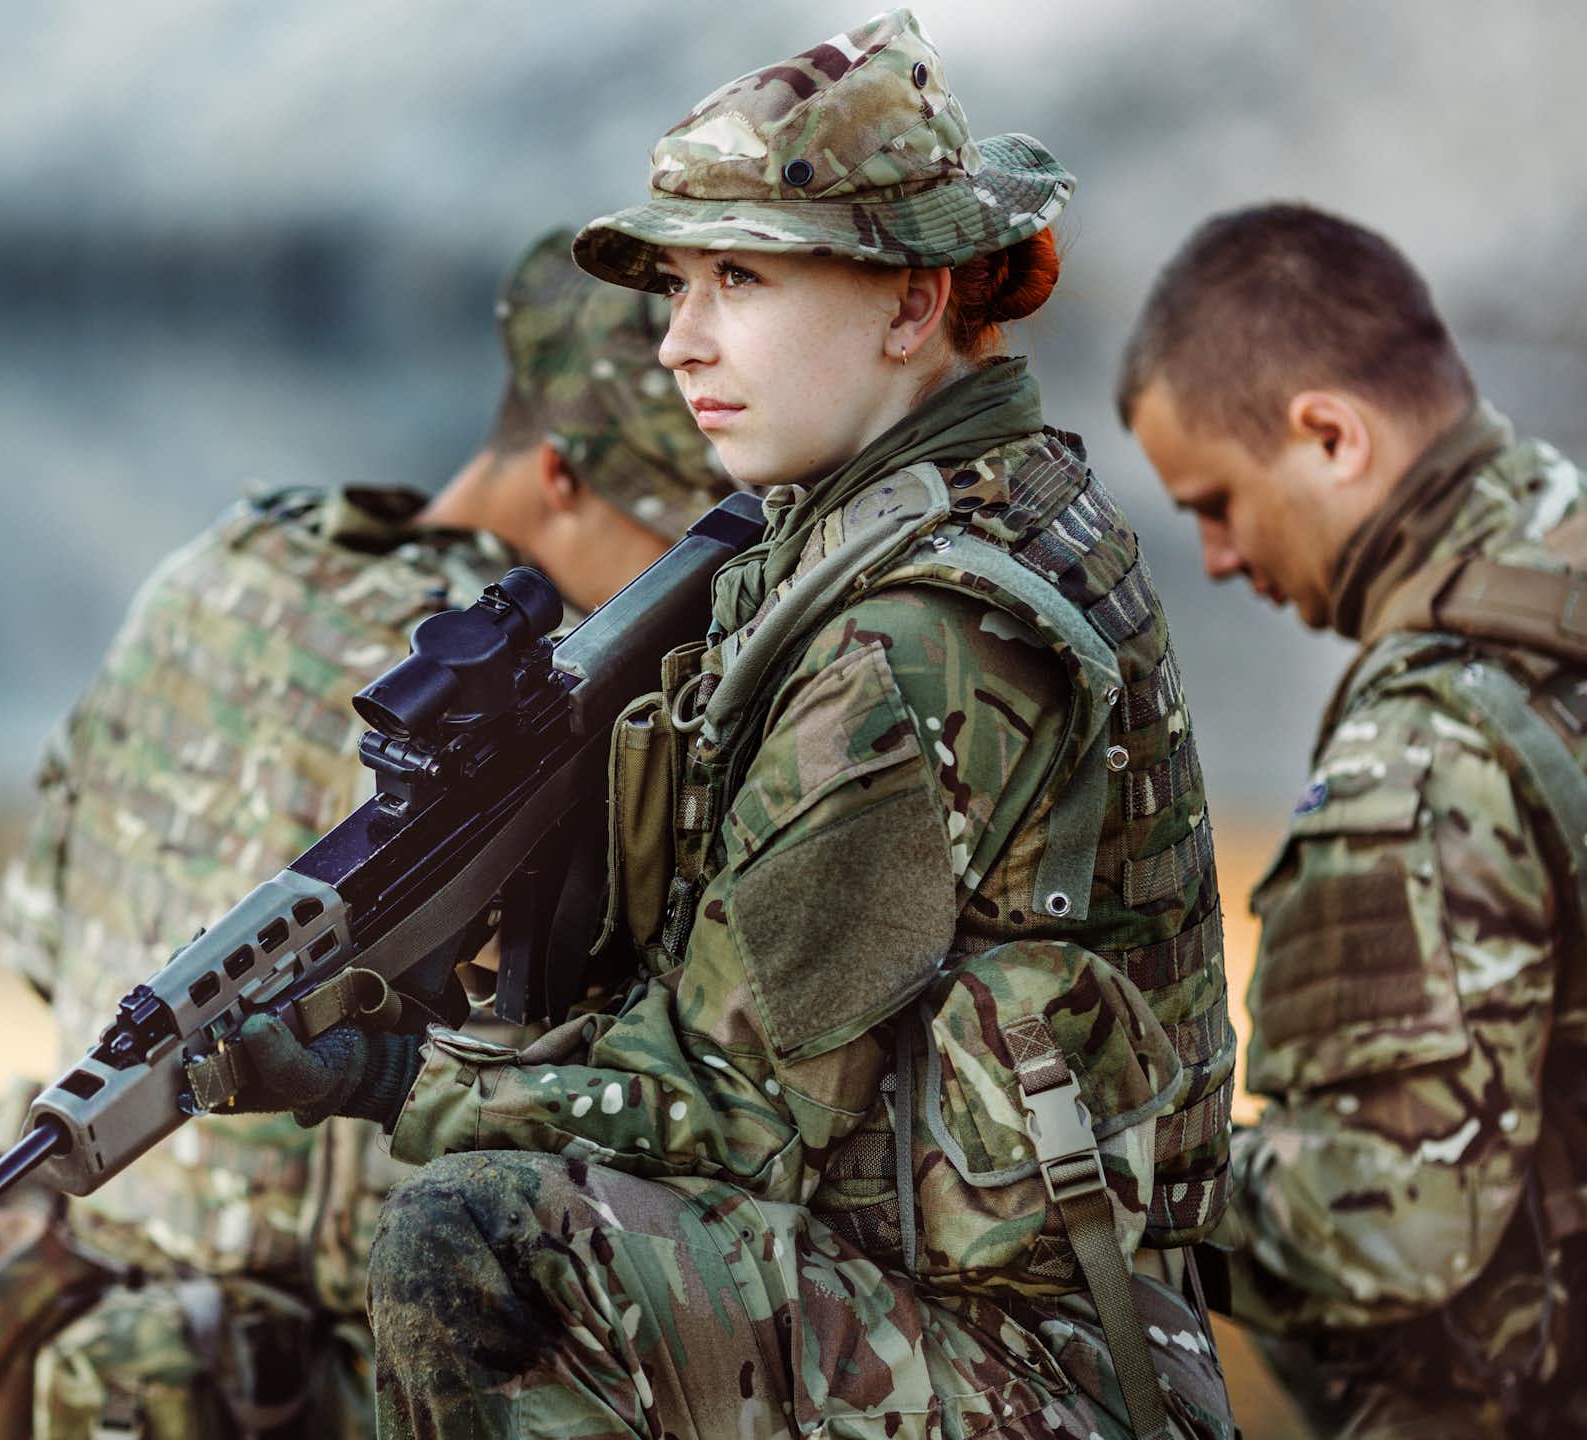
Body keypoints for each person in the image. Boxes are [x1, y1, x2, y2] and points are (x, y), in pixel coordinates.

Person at [215, 11, 1239, 1438]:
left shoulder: (915, 634)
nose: (682, 341)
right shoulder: (922, 512)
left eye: (743, 280)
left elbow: (733, 1110)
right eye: (681, 285)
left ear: (910, 302)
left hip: (1042, 1372)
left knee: (473, 1242)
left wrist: (396, 1073)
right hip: (964, 1301)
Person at [0, 227, 731, 1440]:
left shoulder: (219, 569)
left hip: (64, 1327)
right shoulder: (512, 715)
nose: (683, 616)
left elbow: (34, 932)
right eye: (674, 557)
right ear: (559, 476)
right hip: (298, 1382)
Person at [1117, 202, 1587, 1438]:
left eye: (1215, 501)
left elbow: (1385, 1229)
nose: (1216, 556)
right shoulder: (1562, 554)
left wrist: (1118, 1184)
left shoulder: (1429, 738)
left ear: (1327, 434)